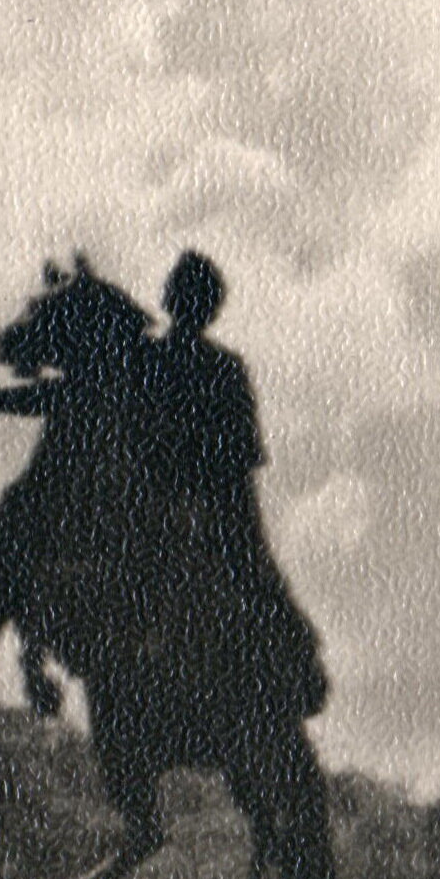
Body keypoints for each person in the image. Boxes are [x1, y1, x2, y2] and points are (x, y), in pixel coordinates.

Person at [129, 250, 331, 721]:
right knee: (259, 581)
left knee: (258, 580)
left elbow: (237, 458)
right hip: (189, 501)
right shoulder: (214, 367)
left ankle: (292, 666)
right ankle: (297, 663)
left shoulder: (162, 364)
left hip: (192, 502)